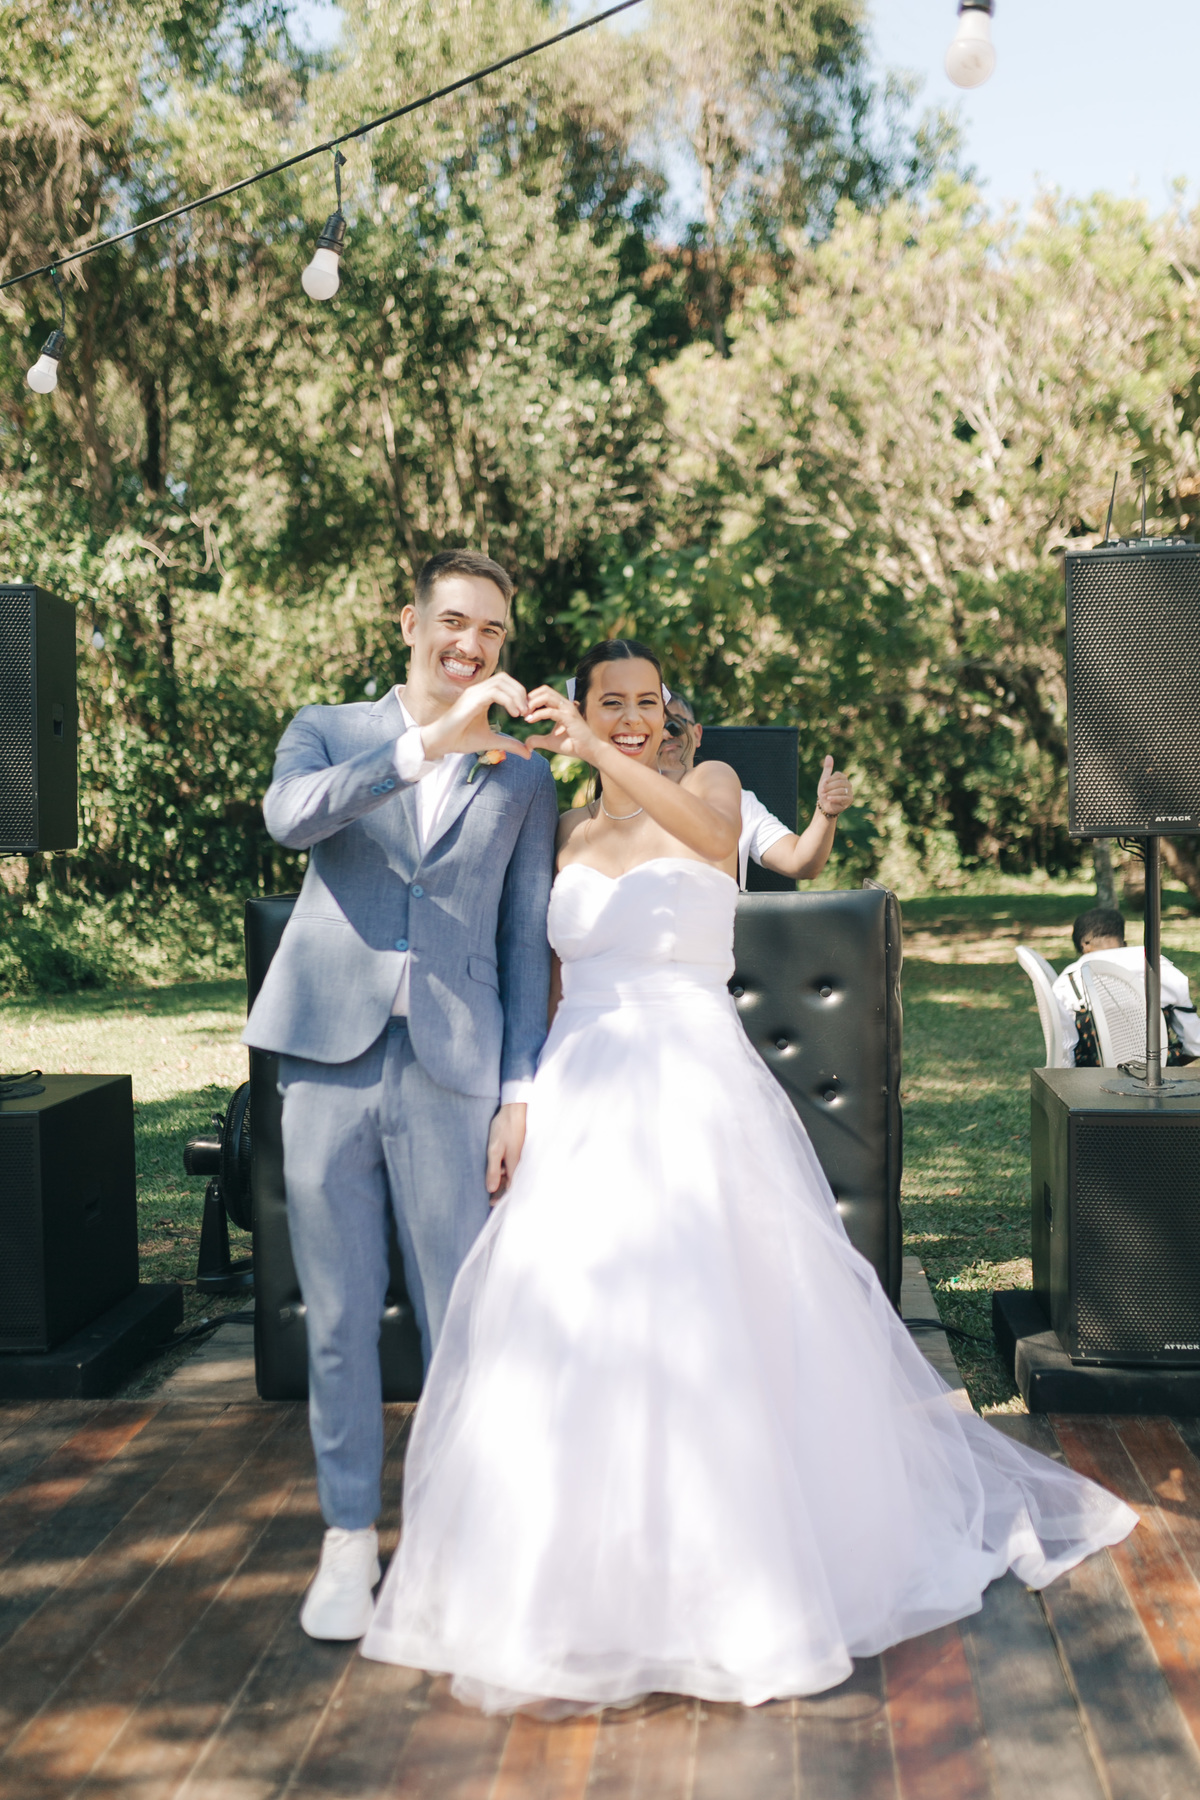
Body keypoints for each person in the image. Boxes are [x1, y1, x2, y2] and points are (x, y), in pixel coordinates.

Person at [362, 638, 1136, 1714]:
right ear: (577, 706)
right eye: (608, 702)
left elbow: (716, 842)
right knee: (572, 1321)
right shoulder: (565, 828)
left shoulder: (713, 785)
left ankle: (738, 1579)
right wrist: (518, 1097)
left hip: (690, 1079)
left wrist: (596, 749)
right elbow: (543, 977)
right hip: (581, 1083)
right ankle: (578, 1579)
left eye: (645, 702)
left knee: (706, 1315)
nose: (631, 718)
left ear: (664, 713)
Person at [243, 550, 558, 1642]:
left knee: (457, 1314)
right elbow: (291, 818)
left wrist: (518, 1089)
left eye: (492, 631)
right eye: (455, 621)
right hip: (325, 1053)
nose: (472, 644)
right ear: (410, 622)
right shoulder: (328, 729)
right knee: (337, 1314)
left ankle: (455, 1533)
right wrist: (427, 745)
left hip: (455, 1063)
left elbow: (523, 939)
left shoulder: (523, 776)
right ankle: (345, 1540)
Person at [657, 692, 854, 887]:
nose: (665, 735)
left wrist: (826, 811)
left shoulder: (739, 801)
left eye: (674, 725)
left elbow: (800, 861)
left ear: (696, 734)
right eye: (655, 730)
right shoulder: (636, 801)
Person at [1052, 906, 1200, 1067]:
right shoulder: (1162, 969)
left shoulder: (1067, 982)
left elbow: (1065, 1054)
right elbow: (1194, 1044)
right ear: (1124, 941)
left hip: (1094, 1078)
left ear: (1083, 946)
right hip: (1159, 1076)